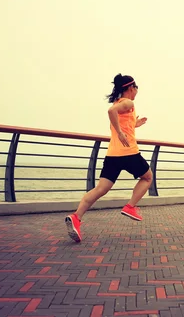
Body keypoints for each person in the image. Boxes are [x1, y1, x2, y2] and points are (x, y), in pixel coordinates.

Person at [65, 74, 153, 242]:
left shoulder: (119, 105)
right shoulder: (127, 103)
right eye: (136, 89)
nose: (136, 92)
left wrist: (135, 124)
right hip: (129, 152)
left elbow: (119, 119)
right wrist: (120, 133)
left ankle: (76, 217)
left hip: (112, 155)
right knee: (148, 177)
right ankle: (130, 207)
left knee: (101, 189)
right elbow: (111, 112)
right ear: (130, 88)